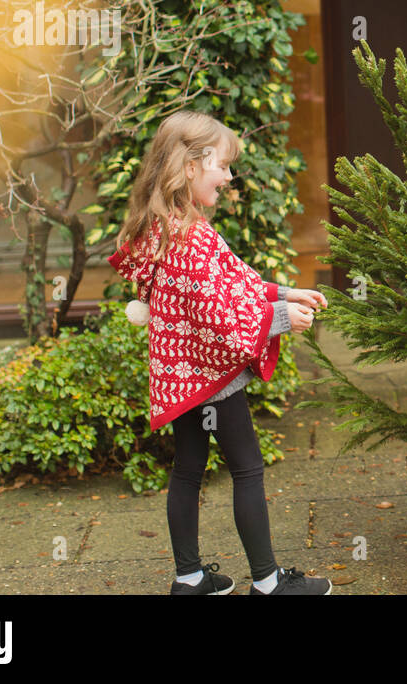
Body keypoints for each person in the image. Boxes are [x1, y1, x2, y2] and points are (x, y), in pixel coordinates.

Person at [108, 110, 334, 596]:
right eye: (222, 164)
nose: (229, 176)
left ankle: (189, 578)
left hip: (180, 375)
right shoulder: (190, 237)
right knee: (247, 469)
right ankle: (269, 582)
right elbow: (219, 318)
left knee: (188, 468)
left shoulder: (168, 227)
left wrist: (282, 293)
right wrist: (280, 319)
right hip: (210, 377)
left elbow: (234, 282)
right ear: (189, 166)